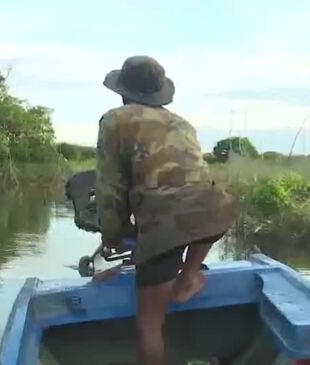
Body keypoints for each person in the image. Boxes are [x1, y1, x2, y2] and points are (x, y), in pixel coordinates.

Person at [95, 55, 238, 365]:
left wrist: (113, 235)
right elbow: (193, 178)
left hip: (165, 223)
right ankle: (189, 274)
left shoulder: (115, 119)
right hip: (216, 208)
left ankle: (182, 275)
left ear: (123, 91)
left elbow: (111, 189)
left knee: (149, 326)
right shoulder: (182, 123)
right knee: (197, 214)